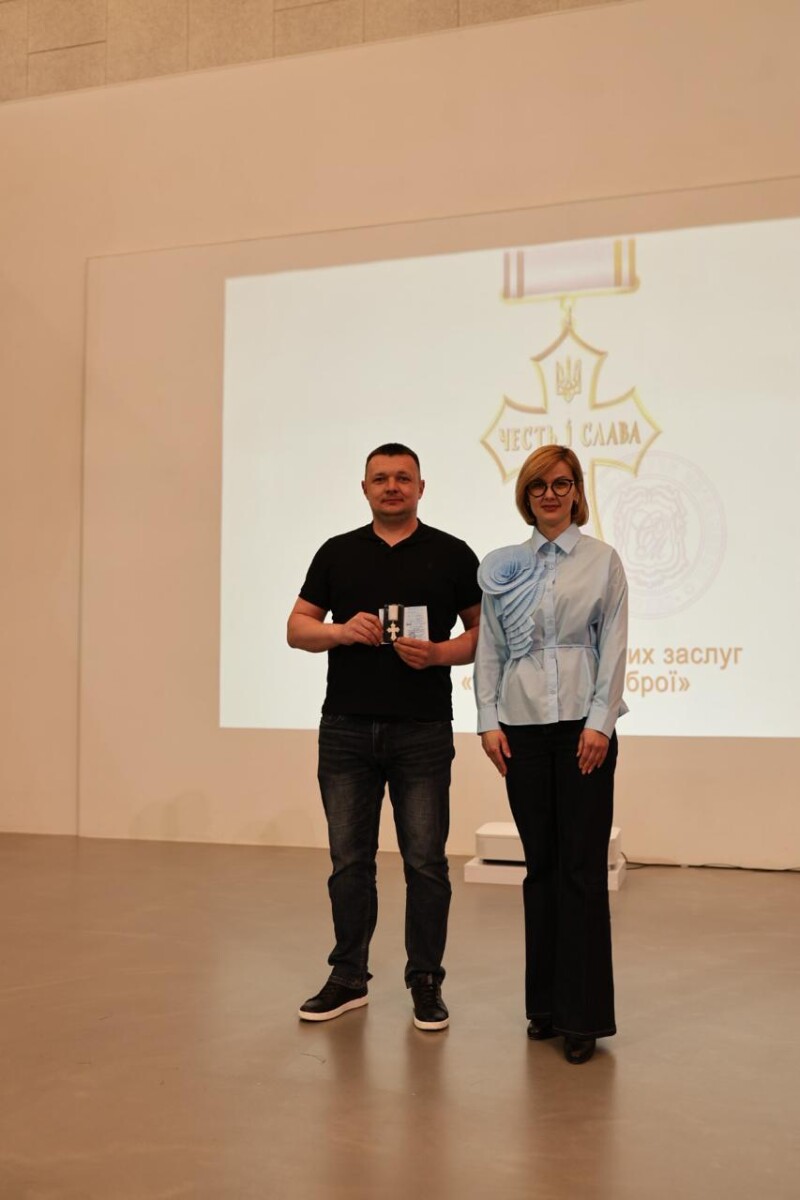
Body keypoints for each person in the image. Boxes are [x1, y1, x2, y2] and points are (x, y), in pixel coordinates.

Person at [287, 443, 481, 1030]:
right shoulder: (337, 552)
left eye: (402, 477)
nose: (391, 486)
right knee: (349, 862)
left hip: (423, 731)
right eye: (380, 478)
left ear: (421, 487)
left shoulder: (452, 553)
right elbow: (297, 628)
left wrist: (439, 653)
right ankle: (349, 977)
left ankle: (426, 981)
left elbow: (483, 634)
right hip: (345, 730)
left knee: (426, 864)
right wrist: (340, 632)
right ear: (365, 488)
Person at [474, 445, 628, 1064]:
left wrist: (600, 723)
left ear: (577, 491)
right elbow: (490, 646)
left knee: (582, 872)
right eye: (538, 485)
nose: (549, 494)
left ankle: (582, 1016)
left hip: (584, 732)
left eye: (561, 484)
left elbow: (613, 644)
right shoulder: (505, 566)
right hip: (522, 730)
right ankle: (543, 1007)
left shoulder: (602, 560)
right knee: (540, 869)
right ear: (526, 494)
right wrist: (488, 720)